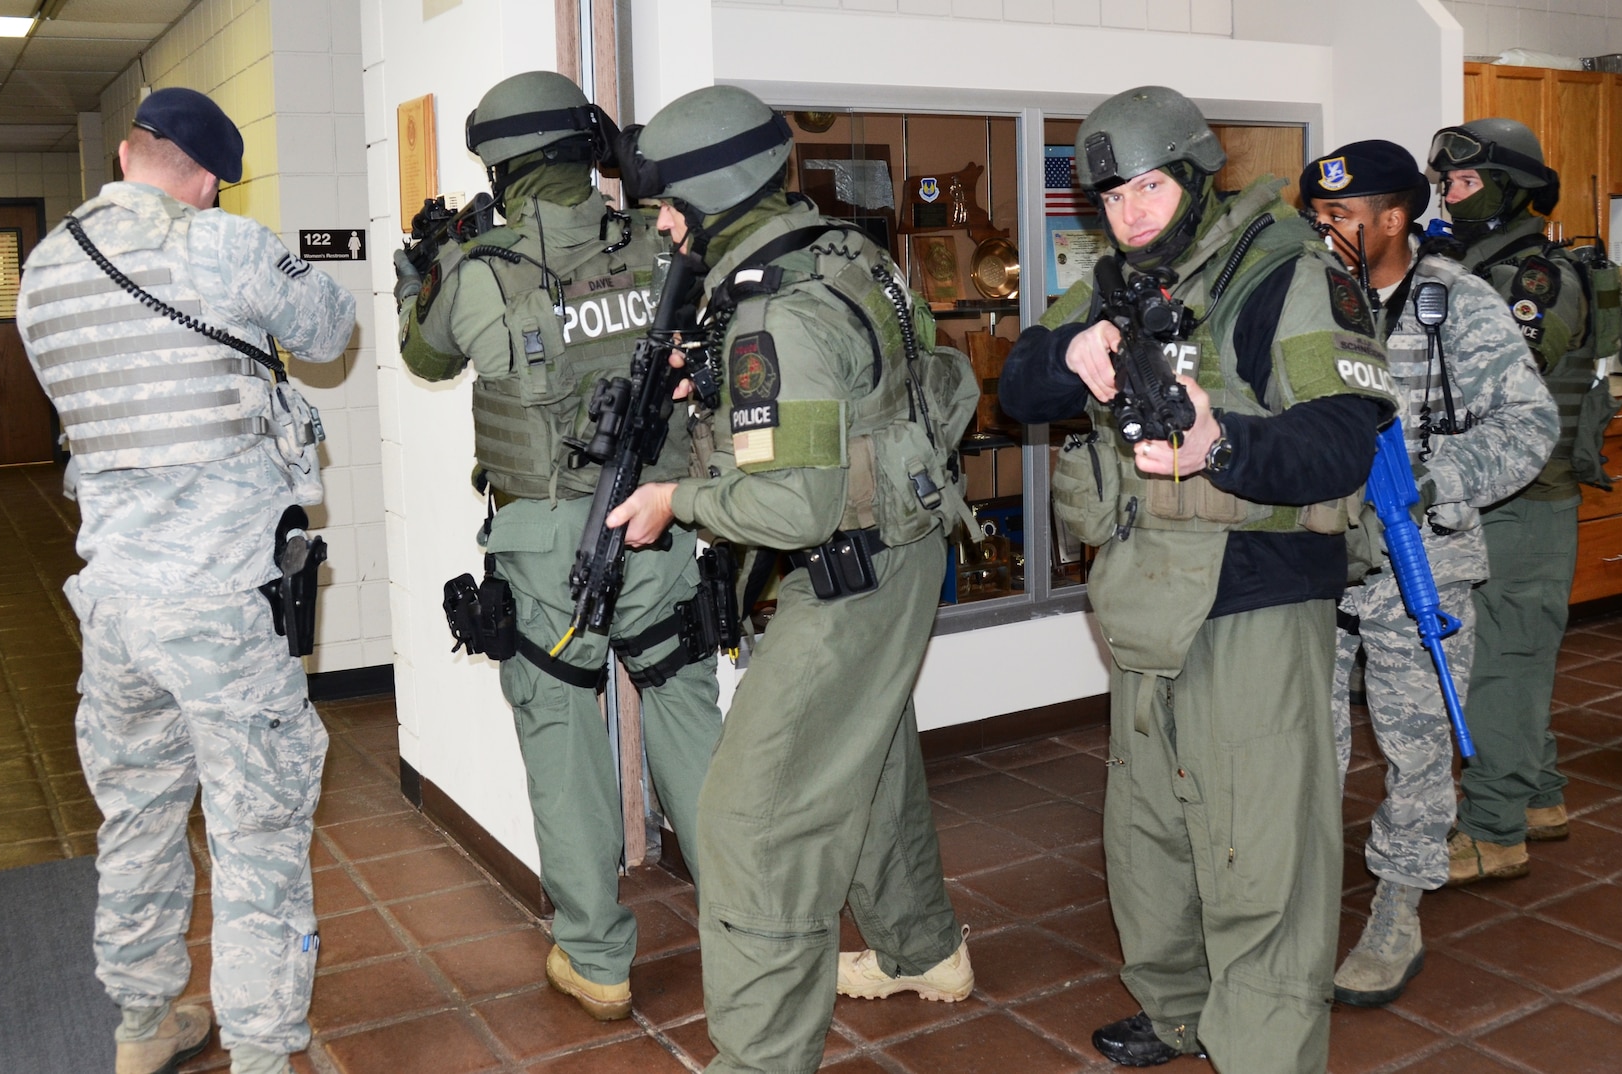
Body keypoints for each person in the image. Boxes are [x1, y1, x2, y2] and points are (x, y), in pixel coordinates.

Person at [999, 87, 1398, 1071]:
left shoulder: (1285, 269)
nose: (1128, 213)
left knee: (1261, 854)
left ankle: (1263, 1049)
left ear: (1187, 175)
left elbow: (1343, 439)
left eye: (1144, 189)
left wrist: (1222, 447)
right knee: (1150, 836)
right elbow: (1014, 387)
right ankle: (1176, 1009)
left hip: (1256, 592)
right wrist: (1072, 352)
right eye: (1108, 198)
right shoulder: (1113, 283)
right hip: (1143, 596)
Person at [603, 85, 978, 1073]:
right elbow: (890, 393)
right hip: (895, 552)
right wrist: (721, 396)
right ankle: (921, 950)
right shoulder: (842, 254)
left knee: (750, 820)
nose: (665, 225)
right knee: (873, 760)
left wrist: (672, 504)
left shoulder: (776, 312)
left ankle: (762, 1057)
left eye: (671, 204)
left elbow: (792, 508)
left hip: (848, 570)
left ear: (718, 191)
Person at [15, 88, 355, 1074]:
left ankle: (141, 1025)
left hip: (114, 604)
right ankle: (260, 1055)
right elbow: (328, 332)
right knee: (258, 830)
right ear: (207, 178)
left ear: (126, 156)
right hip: (222, 607)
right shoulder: (224, 245)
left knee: (138, 815)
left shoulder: (45, 270)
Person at [393, 70, 724, 1021]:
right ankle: (744, 921)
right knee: (686, 712)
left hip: (545, 546)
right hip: (657, 521)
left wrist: (428, 270)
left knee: (562, 735)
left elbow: (426, 357)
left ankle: (597, 958)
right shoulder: (660, 243)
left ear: (501, 164)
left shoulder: (481, 270)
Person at [1300, 141, 1555, 1007]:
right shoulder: (1302, 298)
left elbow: (1529, 425)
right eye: (1320, 216)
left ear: (1396, 217)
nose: (1327, 229)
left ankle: (1399, 907)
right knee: (1305, 742)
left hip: (1421, 568)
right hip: (1316, 566)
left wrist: (1435, 480)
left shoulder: (1457, 305)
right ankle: (1296, 902)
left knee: (1416, 748)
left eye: (1343, 216)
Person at [1426, 117, 1611, 885]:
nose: (1449, 196)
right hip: (1485, 494)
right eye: (1445, 184)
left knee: (1503, 663)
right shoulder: (1464, 267)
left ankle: (1494, 831)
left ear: (1513, 189)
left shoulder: (1540, 277)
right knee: (1508, 659)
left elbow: (1497, 379)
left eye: (1464, 183)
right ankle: (1538, 795)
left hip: (1527, 500)